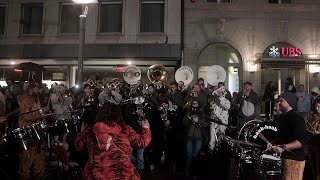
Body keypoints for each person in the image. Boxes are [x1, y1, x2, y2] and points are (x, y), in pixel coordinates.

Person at [75, 102, 151, 180]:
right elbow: (142, 142)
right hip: (122, 174)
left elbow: (78, 146)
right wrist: (146, 128)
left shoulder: (90, 131)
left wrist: (81, 133)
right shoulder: (125, 129)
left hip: (96, 174)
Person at [267, 92, 307, 180]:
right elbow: (282, 136)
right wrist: (272, 143)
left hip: (294, 160)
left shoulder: (296, 118)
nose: (279, 103)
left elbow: (301, 141)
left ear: (289, 103)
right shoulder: (283, 117)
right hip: (284, 158)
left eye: (282, 101)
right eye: (279, 101)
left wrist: (283, 147)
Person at [16, 83, 48, 180]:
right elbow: (25, 116)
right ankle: (24, 175)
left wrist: (41, 111)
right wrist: (40, 113)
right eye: (37, 89)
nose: (38, 91)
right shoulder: (25, 100)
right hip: (26, 129)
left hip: (33, 129)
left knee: (36, 152)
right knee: (27, 155)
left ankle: (37, 173)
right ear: (31, 89)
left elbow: (34, 113)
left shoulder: (33, 99)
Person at [183, 99, 208, 176]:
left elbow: (205, 124)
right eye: (193, 104)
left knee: (195, 154)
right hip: (189, 136)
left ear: (198, 104)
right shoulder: (188, 112)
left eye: (195, 103)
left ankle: (194, 172)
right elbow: (184, 123)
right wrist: (188, 117)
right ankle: (187, 172)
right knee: (189, 155)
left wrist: (198, 120)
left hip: (198, 137)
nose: (194, 105)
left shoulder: (202, 113)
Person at [208, 86, 231, 151]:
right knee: (212, 138)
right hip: (214, 121)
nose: (218, 93)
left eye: (219, 92)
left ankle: (220, 151)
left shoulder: (226, 101)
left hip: (223, 121)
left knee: (221, 137)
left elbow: (226, 107)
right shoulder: (213, 101)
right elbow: (211, 108)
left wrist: (219, 102)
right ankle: (211, 150)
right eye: (217, 92)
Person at [307, 99, 320, 180]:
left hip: (319, 145)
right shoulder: (314, 117)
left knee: (319, 168)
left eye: (319, 107)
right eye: (316, 106)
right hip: (311, 143)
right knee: (313, 167)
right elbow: (309, 127)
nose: (317, 108)